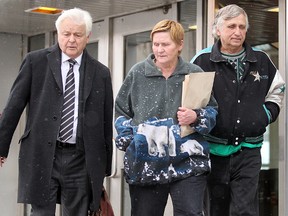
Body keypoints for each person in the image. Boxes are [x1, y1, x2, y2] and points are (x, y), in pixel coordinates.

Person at [0, 8, 113, 216]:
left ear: (87, 37)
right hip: (42, 155)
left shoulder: (101, 73)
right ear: (57, 34)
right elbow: (13, 106)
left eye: (77, 35)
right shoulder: (36, 62)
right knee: (41, 213)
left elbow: (106, 120)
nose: (71, 40)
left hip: (81, 158)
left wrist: (104, 164)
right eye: (66, 34)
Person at [114, 19, 218, 216]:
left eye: (166, 44)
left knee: (190, 213)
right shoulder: (138, 73)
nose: (159, 49)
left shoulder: (194, 73)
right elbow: (121, 111)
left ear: (179, 45)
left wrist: (196, 116)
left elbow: (212, 112)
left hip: (189, 162)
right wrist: (131, 140)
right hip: (145, 162)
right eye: (156, 44)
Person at [191, 4, 285, 216]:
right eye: (231, 26)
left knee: (245, 211)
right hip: (213, 151)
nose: (238, 32)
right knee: (216, 210)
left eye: (242, 27)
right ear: (217, 29)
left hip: (248, 151)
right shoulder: (202, 61)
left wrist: (264, 115)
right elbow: (191, 103)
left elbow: (278, 91)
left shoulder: (261, 60)